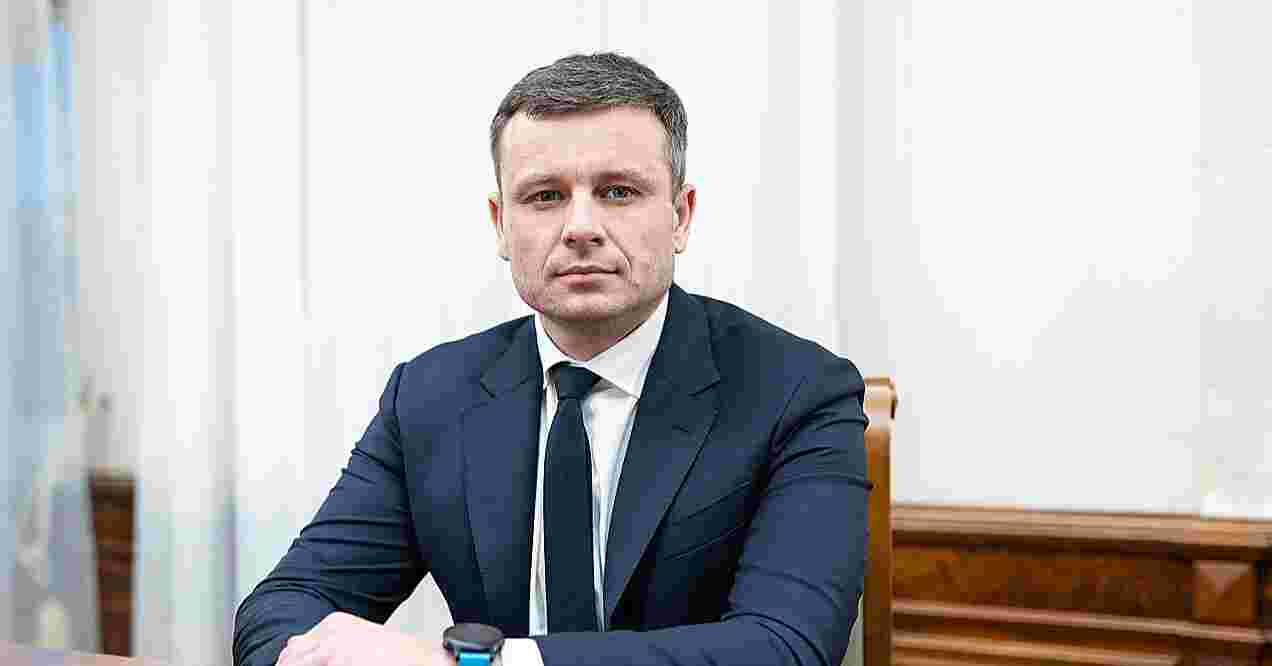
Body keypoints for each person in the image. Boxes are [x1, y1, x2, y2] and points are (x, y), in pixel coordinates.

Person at [233, 52, 870, 666]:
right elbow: (282, 608)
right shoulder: (429, 396)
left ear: (680, 216)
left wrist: (479, 665)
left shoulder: (798, 392)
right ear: (500, 224)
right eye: (544, 196)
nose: (580, 227)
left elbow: (785, 646)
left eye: (618, 191)